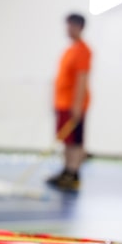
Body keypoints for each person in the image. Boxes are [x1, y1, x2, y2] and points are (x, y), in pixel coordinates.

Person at [47, 14, 92, 191]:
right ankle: (66, 171)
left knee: (75, 141)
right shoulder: (69, 50)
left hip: (73, 104)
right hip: (62, 103)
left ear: (79, 26)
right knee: (66, 140)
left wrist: (77, 105)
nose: (67, 29)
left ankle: (73, 174)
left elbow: (82, 78)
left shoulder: (83, 50)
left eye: (70, 26)